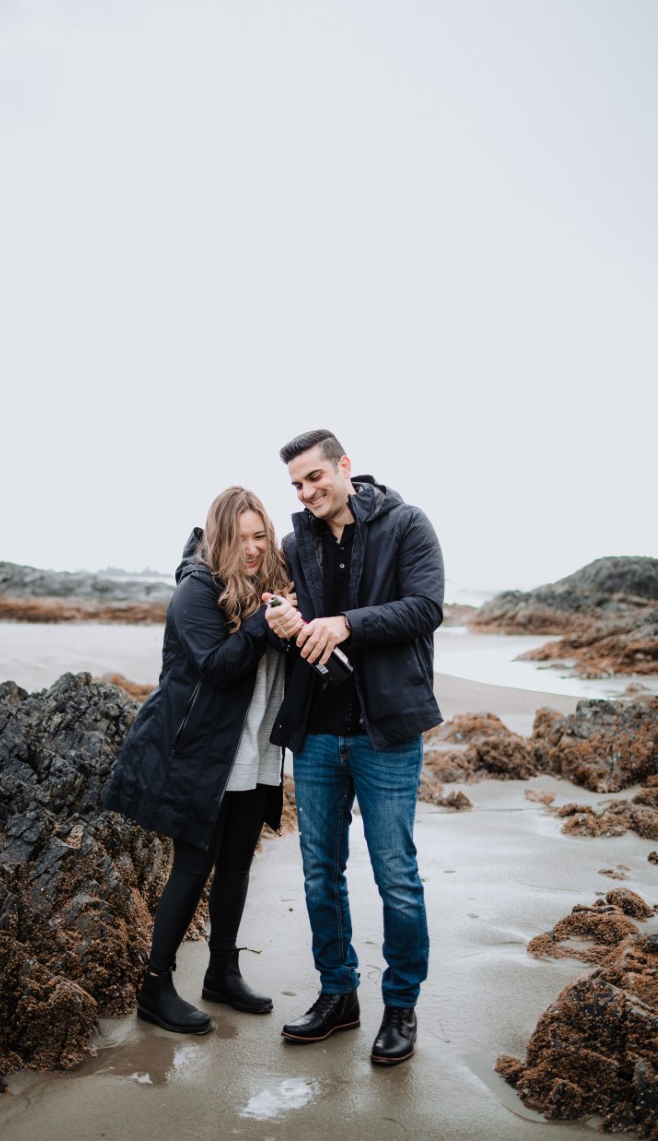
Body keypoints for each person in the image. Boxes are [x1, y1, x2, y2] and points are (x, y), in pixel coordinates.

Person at [263, 429, 444, 1066]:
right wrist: (287, 625)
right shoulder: (294, 542)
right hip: (315, 732)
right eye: (297, 485)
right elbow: (299, 631)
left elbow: (425, 607)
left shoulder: (407, 524)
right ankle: (339, 995)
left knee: (396, 877)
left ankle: (401, 1007)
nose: (307, 492)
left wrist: (346, 623)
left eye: (315, 477)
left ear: (345, 467)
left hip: (386, 729)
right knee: (319, 874)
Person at [104, 486, 292, 1035]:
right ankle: (155, 987)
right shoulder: (196, 590)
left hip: (253, 748)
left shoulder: (268, 587)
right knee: (193, 867)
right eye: (242, 538)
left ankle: (222, 973)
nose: (253, 549)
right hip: (200, 754)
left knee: (237, 863)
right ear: (219, 536)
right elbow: (218, 667)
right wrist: (261, 624)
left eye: (262, 536)